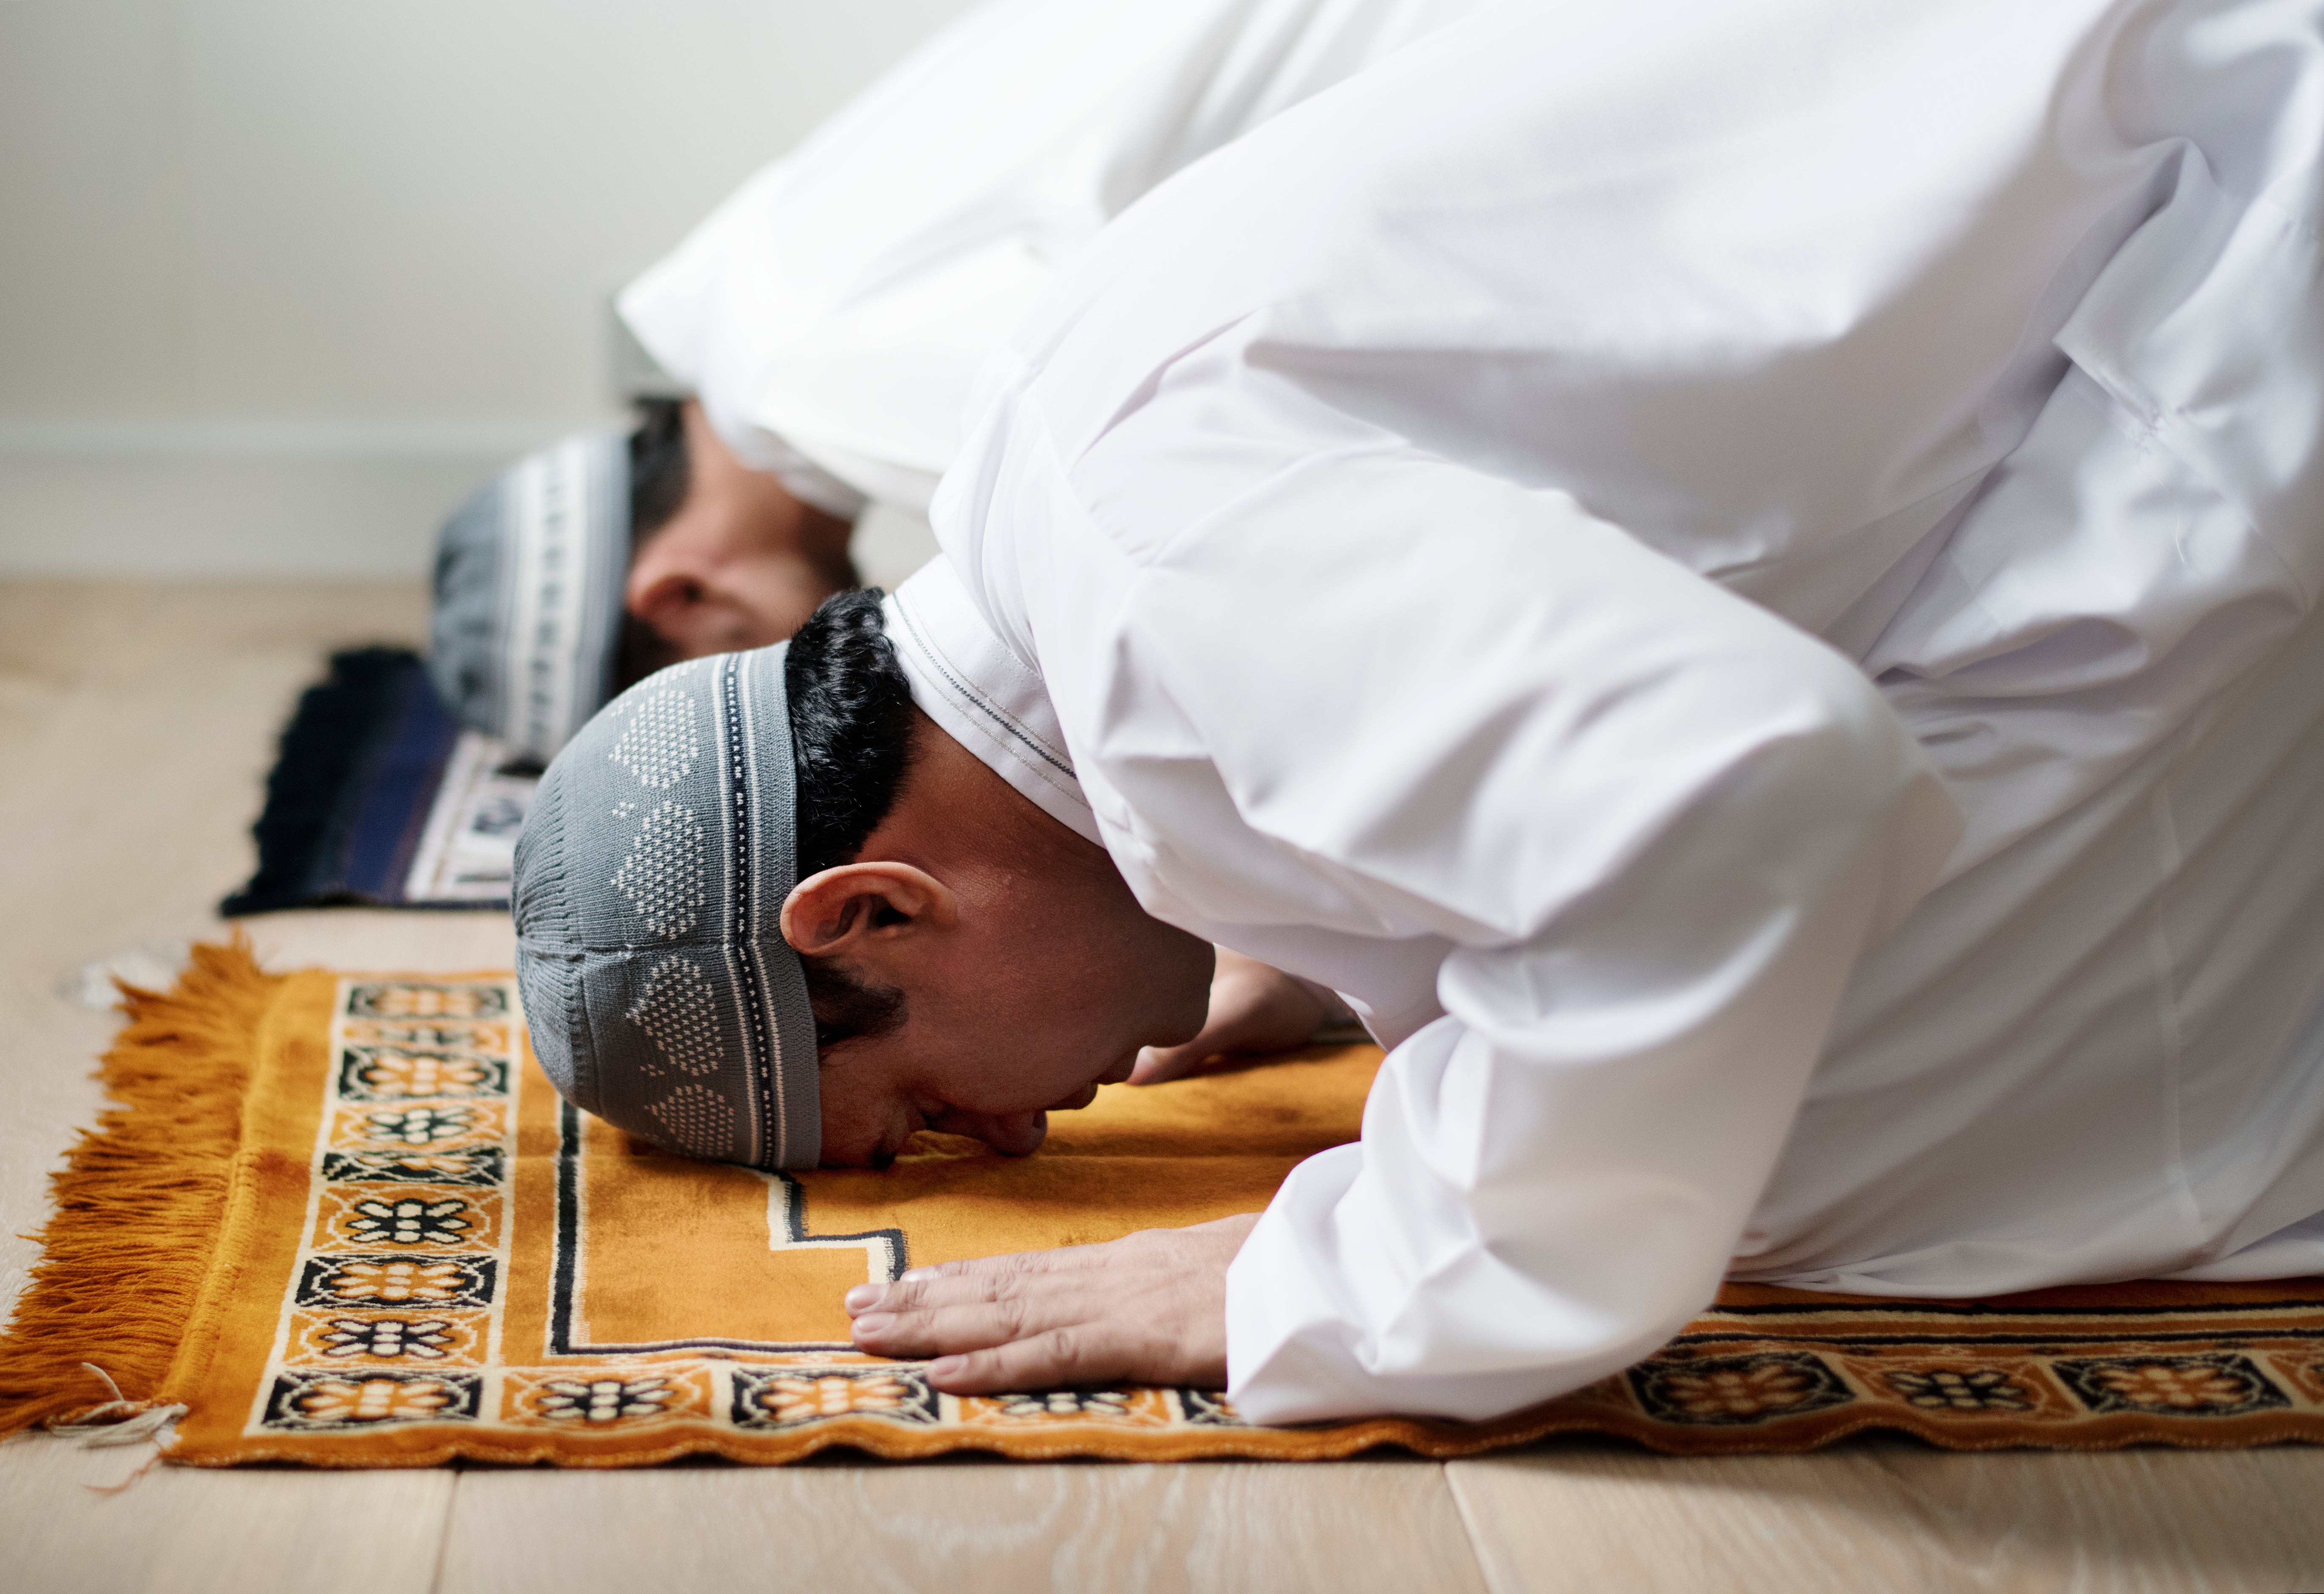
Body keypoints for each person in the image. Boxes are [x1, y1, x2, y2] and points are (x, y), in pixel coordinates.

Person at [513, 0, 2324, 1426]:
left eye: (914, 1109)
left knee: (1789, 1157)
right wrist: (1326, 941)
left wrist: (1362, 1269)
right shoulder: (1037, 500)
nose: (1011, 1142)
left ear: (869, 912)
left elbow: (1748, 786)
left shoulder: (1153, 585)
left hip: (2243, 187)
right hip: (2152, 216)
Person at [426, 0, 1486, 765]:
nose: (812, 704)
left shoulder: (818, 377)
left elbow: (1225, 531)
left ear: (680, 594)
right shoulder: (750, 276)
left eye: (748, 695)